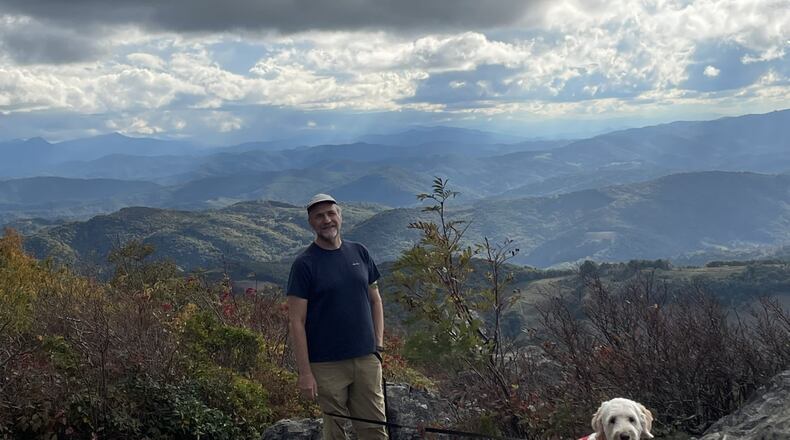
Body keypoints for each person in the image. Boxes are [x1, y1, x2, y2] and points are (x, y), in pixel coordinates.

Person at [286, 193, 387, 440]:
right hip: (326, 364)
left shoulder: (360, 253)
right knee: (335, 432)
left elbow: (375, 299)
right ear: (311, 222)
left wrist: (378, 345)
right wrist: (305, 373)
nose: (326, 220)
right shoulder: (304, 264)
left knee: (375, 429)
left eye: (331, 213)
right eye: (319, 216)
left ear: (340, 216)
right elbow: (296, 322)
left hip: (365, 358)